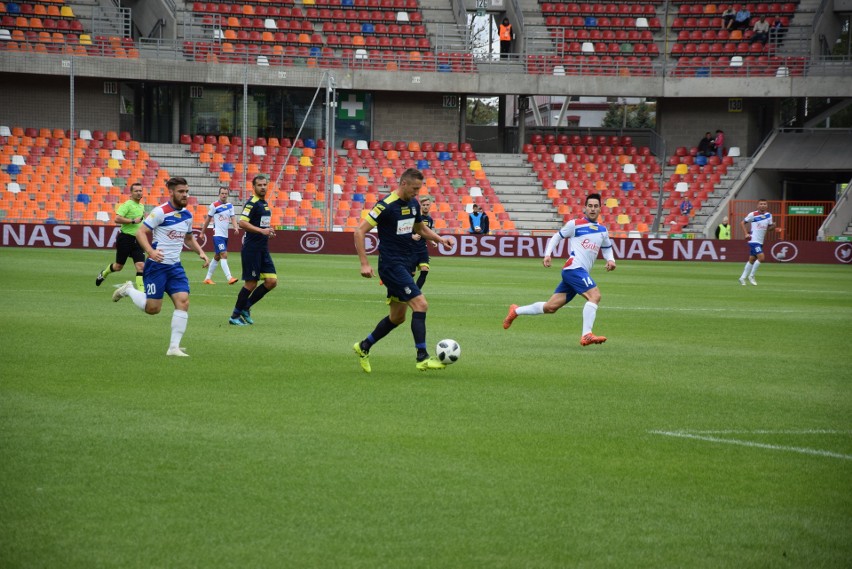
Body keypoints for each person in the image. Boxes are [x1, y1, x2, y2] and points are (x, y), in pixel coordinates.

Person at [352, 168, 452, 373]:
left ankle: (364, 346)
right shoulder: (385, 206)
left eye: (419, 189)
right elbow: (359, 231)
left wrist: (440, 239)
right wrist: (364, 263)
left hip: (406, 265)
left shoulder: (414, 204)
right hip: (391, 265)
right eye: (414, 188)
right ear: (403, 184)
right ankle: (422, 357)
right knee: (421, 304)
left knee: (397, 317)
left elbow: (421, 229)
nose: (417, 193)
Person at [111, 177, 209, 357]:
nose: (185, 195)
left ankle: (174, 348)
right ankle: (129, 290)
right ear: (171, 192)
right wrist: (150, 251)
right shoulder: (160, 212)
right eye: (181, 191)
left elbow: (188, 238)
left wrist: (200, 252)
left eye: (186, 191)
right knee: (153, 309)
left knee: (183, 301)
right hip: (157, 266)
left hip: (175, 267)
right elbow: (141, 232)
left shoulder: (187, 215)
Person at [502, 193, 616, 347]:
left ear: (600, 209)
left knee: (550, 307)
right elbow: (557, 237)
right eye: (590, 206)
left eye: (596, 206)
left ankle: (516, 311)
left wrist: (611, 260)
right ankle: (586, 334)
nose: (593, 209)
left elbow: (607, 248)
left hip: (578, 273)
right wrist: (548, 254)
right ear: (585, 208)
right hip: (574, 268)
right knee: (595, 296)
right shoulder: (575, 224)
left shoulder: (602, 231)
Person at [229, 175, 277, 326]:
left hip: (263, 249)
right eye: (259, 185)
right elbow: (242, 222)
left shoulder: (264, 204)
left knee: (271, 281)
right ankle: (234, 316)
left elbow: (262, 226)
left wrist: (268, 231)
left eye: (264, 184)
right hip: (252, 249)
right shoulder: (252, 203)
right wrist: (261, 231)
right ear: (254, 187)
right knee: (251, 284)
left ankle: (246, 307)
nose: (263, 187)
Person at [95, 182, 146, 291]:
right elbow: (117, 219)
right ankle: (104, 273)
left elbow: (141, 223)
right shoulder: (127, 204)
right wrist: (132, 221)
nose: (138, 193)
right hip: (125, 239)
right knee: (118, 266)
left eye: (140, 190)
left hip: (138, 240)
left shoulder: (141, 206)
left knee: (141, 266)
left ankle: (143, 293)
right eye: (136, 191)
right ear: (131, 193)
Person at [200, 186, 240, 285]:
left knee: (217, 256)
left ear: (228, 195)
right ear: (219, 194)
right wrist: (202, 232)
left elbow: (233, 218)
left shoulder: (230, 206)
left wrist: (235, 227)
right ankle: (229, 278)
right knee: (224, 254)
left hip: (225, 235)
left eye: (225, 193)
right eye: (222, 193)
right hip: (217, 235)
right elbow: (208, 220)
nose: (224, 195)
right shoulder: (214, 205)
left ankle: (207, 278)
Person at [739, 199, 776, 286]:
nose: (763, 205)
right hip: (753, 240)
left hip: (760, 241)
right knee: (761, 258)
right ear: (757, 205)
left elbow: (769, 229)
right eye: (761, 204)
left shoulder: (769, 215)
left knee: (752, 260)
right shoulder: (753, 214)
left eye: (764, 204)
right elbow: (742, 223)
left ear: (766, 206)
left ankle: (742, 278)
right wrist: (746, 233)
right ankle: (751, 276)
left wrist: (773, 227)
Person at [412, 194, 436, 290]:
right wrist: (412, 236)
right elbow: (404, 230)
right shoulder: (415, 218)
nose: (425, 207)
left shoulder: (430, 219)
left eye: (427, 205)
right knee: (411, 274)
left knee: (425, 270)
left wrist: (431, 241)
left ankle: (416, 292)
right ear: (420, 206)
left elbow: (427, 233)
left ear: (430, 206)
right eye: (423, 205)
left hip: (422, 248)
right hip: (412, 248)